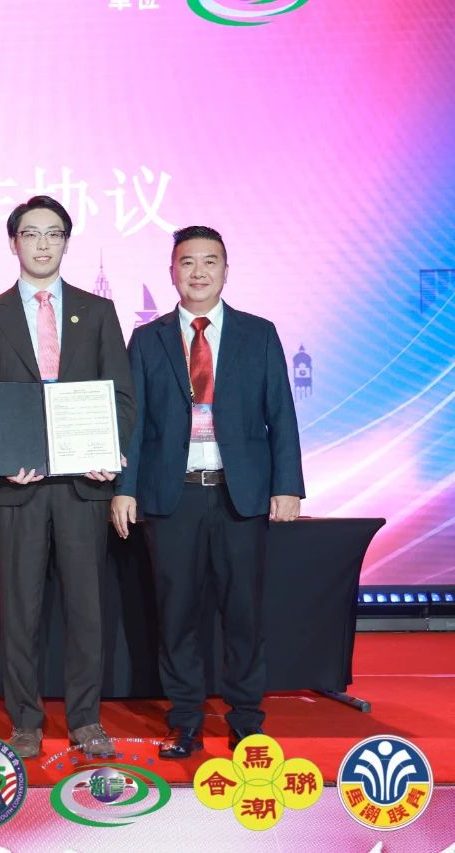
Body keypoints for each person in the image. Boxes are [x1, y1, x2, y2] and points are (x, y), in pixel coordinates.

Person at [112, 225, 304, 758]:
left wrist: (287, 485)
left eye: (209, 261)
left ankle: (246, 720)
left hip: (239, 495)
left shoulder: (258, 333)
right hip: (172, 496)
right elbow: (133, 423)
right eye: (187, 262)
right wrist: (125, 489)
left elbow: (281, 414)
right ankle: (185, 720)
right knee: (177, 615)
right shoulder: (147, 339)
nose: (198, 272)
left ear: (225, 269)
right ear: (172, 272)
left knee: (243, 613)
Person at [0, 196, 136, 760]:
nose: (42, 244)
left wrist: (107, 450)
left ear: (66, 242)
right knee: (21, 610)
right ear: (13, 242)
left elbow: (122, 396)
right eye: (31, 234)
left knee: (87, 608)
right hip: (19, 487)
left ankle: (86, 719)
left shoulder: (97, 311)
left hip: (85, 483)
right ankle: (25, 722)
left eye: (53, 234)